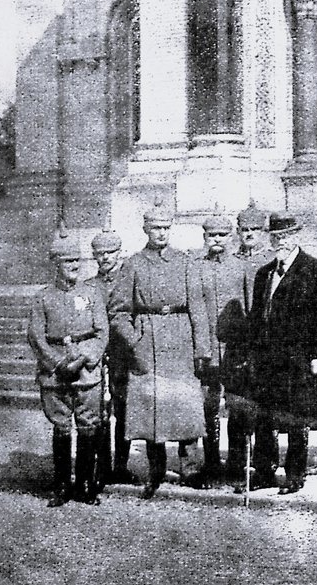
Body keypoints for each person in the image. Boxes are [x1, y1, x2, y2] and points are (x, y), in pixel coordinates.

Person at [110, 204, 210, 499]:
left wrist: (201, 347)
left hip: (180, 336)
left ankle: (191, 470)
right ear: (146, 230)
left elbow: (198, 308)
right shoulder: (134, 264)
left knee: (185, 404)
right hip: (148, 338)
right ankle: (156, 470)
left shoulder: (185, 261)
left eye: (166, 227)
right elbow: (118, 311)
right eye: (156, 228)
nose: (162, 233)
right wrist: (135, 340)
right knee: (154, 407)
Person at [246, 213, 317, 495]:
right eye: (276, 237)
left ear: (297, 237)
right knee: (264, 416)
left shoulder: (315, 270)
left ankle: (294, 475)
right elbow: (256, 316)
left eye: (286, 236)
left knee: (296, 417)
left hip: (298, 358)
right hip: (267, 358)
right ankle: (263, 471)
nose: (281, 242)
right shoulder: (264, 274)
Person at [28, 230, 109, 506]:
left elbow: (102, 332)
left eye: (77, 260)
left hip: (86, 372)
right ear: (55, 264)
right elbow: (36, 336)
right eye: (67, 261)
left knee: (88, 425)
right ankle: (62, 485)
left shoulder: (92, 294)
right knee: (62, 426)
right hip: (56, 373)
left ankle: (85, 484)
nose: (74, 266)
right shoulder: (43, 297)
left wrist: (86, 357)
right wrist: (57, 362)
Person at [185, 212, 253, 488]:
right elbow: (195, 310)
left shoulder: (242, 267)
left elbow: (249, 310)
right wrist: (201, 349)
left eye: (222, 235)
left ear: (231, 237)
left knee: (237, 408)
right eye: (212, 235)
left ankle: (237, 467)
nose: (217, 240)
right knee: (208, 408)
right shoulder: (196, 268)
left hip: (235, 351)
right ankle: (212, 465)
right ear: (204, 237)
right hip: (208, 350)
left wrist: (247, 350)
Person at [224, 202, 272, 485]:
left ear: (263, 232)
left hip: (264, 345)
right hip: (238, 345)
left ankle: (265, 467)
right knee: (238, 408)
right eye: (244, 230)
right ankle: (236, 464)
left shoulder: (270, 262)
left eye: (255, 229)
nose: (249, 234)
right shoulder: (231, 262)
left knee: (264, 409)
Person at [89, 228, 136, 486]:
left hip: (123, 354)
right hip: (99, 354)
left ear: (120, 253)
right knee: (100, 411)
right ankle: (102, 465)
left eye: (111, 253)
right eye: (100, 254)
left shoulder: (129, 280)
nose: (106, 258)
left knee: (124, 409)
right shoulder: (89, 286)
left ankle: (121, 465)